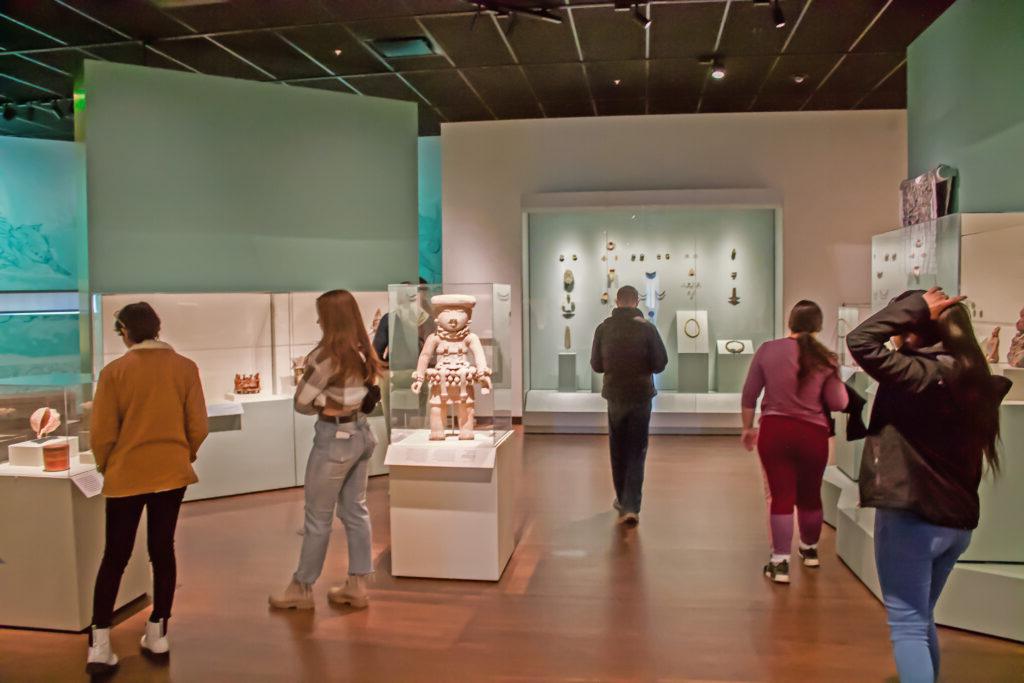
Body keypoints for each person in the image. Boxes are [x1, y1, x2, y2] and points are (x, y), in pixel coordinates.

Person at [847, 288, 1009, 683]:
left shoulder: (920, 376)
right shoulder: (973, 377)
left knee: (906, 626)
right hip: (956, 522)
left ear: (913, 328)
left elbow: (860, 340)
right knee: (919, 620)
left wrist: (914, 306)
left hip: (912, 520)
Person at [87, 303, 208, 674]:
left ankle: (100, 642)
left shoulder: (114, 373)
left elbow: (102, 434)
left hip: (126, 475)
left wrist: (109, 465)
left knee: (115, 555)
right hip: (171, 474)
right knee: (162, 549)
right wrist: (182, 453)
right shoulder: (185, 368)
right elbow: (198, 425)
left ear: (126, 330)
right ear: (157, 328)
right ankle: (158, 631)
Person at [270, 289, 382, 611]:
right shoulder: (364, 351)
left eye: (321, 315)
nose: (318, 320)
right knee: (356, 511)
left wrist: (324, 400)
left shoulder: (324, 357)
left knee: (317, 518)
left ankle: (301, 587)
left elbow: (302, 403)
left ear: (330, 319)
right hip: (361, 433)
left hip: (334, 440)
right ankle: (357, 584)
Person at [740, 300, 848, 584]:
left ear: (790, 322)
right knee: (811, 494)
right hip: (813, 435)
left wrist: (747, 428)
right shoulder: (827, 358)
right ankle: (810, 550)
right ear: (818, 326)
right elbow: (839, 402)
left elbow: (749, 394)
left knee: (781, 495)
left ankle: (779, 562)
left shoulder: (768, 350)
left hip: (775, 431)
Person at [590, 285, 668, 526]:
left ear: (617, 301)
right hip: (641, 395)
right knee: (637, 449)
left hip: (615, 395)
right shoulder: (647, 329)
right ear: (636, 301)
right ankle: (631, 504)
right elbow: (660, 363)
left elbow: (596, 365)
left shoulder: (603, 328)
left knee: (618, 447)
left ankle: (623, 499)